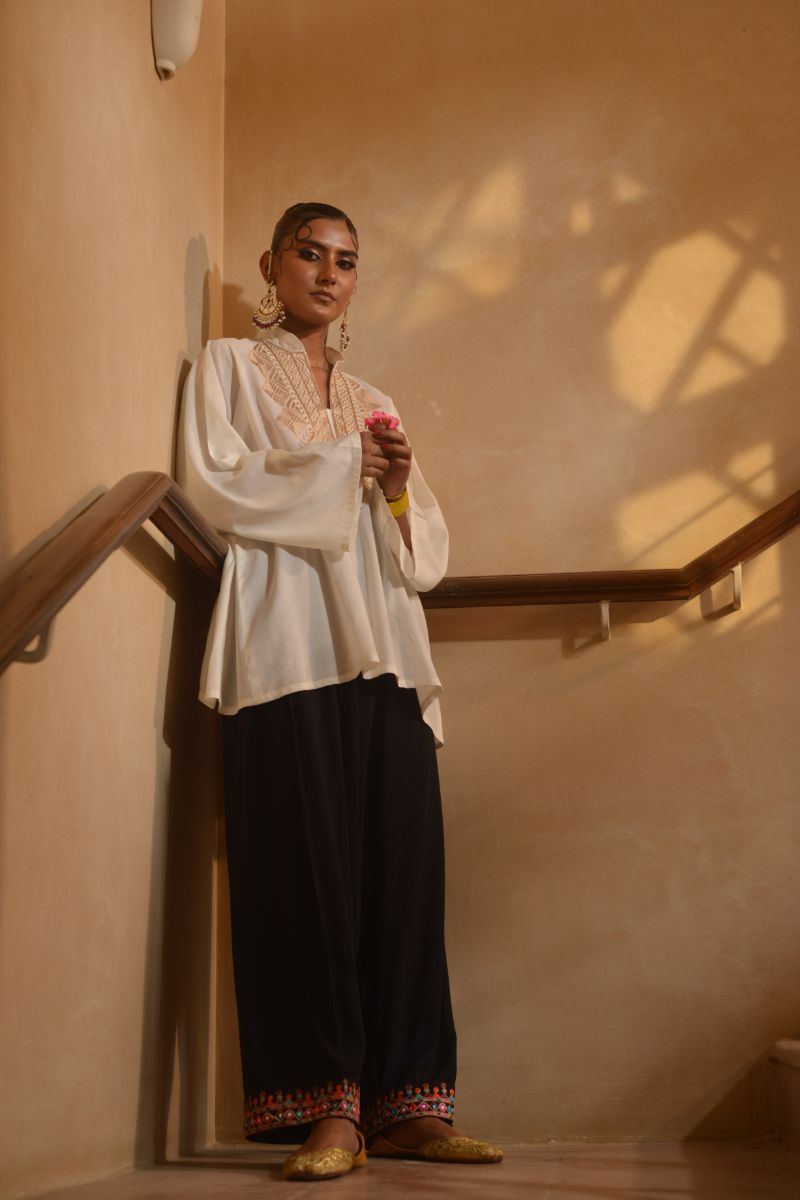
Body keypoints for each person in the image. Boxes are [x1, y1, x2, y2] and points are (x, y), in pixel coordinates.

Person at [177, 202, 503, 1181]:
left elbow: (422, 553)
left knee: (404, 869)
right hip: (284, 637)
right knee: (300, 867)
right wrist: (339, 466)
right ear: (272, 265)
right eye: (309, 253)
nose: (327, 272)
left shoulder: (372, 397)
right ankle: (327, 1106)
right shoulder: (228, 367)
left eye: (346, 260)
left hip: (386, 643)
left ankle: (411, 1103)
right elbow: (211, 484)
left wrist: (394, 488)